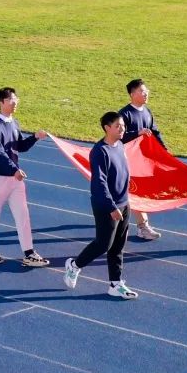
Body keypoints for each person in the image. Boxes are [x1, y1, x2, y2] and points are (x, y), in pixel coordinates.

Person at [63, 112, 139, 300]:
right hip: (106, 205)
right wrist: (112, 207)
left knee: (118, 245)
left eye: (123, 125)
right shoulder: (99, 152)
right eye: (118, 126)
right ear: (107, 128)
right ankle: (74, 265)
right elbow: (99, 183)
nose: (122, 129)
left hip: (124, 202)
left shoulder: (119, 144)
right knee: (104, 244)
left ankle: (115, 284)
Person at [0, 87, 49, 267]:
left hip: (14, 178)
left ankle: (29, 253)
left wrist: (35, 137)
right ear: (1, 103)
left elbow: (20, 146)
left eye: (16, 98)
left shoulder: (14, 123)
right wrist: (13, 169)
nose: (15, 102)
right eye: (11, 99)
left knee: (23, 215)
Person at [119, 79, 164, 241]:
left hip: (143, 161)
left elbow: (155, 133)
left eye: (147, 91)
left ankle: (113, 215)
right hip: (127, 162)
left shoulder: (147, 112)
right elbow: (118, 137)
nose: (146, 94)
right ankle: (142, 227)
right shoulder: (124, 114)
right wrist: (137, 133)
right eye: (142, 91)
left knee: (132, 193)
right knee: (136, 192)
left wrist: (165, 153)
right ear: (132, 94)